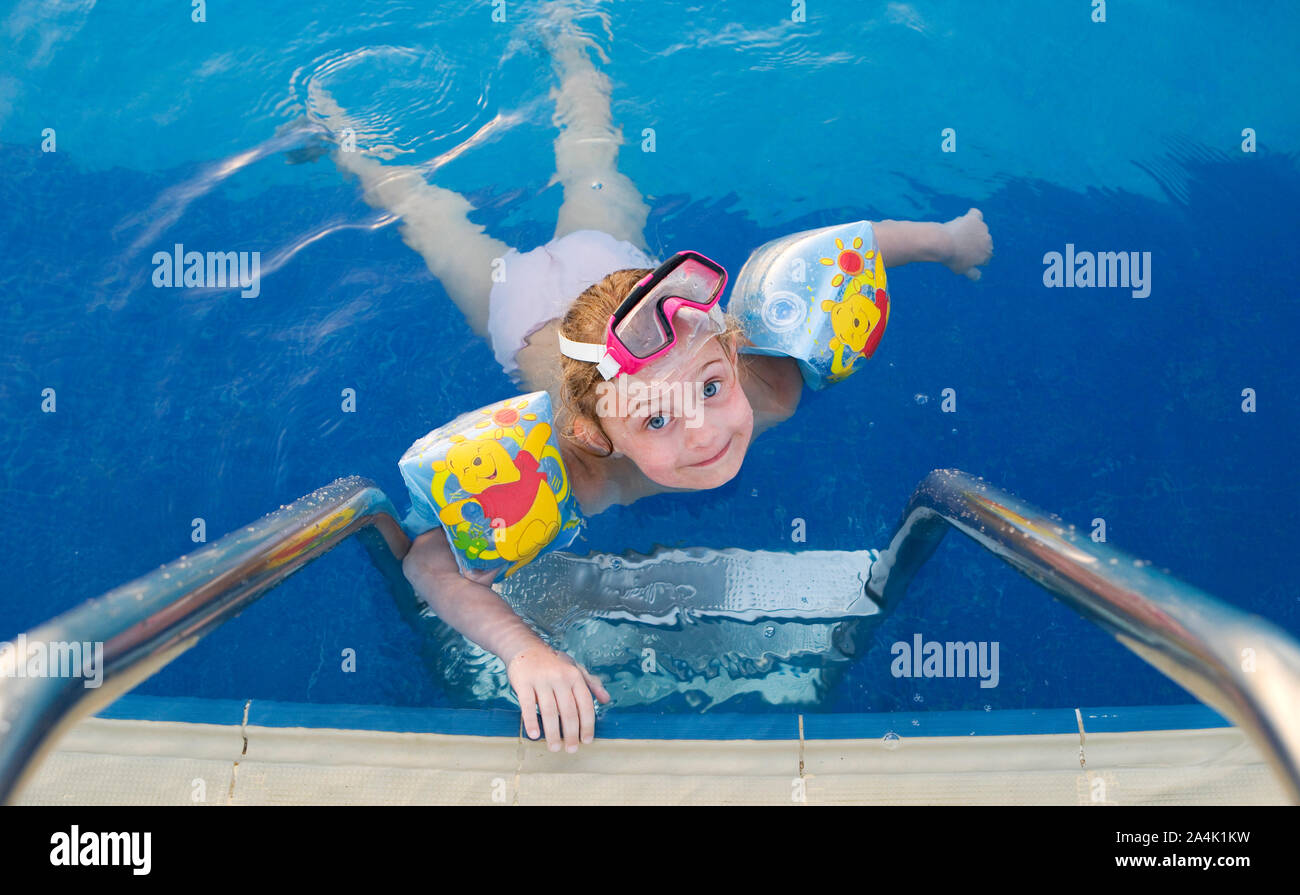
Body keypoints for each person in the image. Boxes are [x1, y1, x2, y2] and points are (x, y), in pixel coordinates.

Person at [320, 7, 993, 753]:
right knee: (422, 211)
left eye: (709, 386)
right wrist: (526, 650)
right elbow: (427, 560)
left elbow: (842, 255)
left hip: (606, 257)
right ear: (593, 434)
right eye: (655, 420)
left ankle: (565, 24)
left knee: (591, 132)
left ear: (733, 352)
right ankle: (326, 121)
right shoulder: (575, 475)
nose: (704, 431)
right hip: (518, 307)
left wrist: (947, 241)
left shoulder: (770, 385)